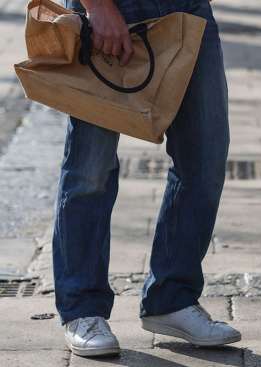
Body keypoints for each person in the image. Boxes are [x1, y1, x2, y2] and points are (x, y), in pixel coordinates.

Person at [54, 0, 238, 357]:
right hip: (110, 11)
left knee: (205, 157)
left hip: (189, 9)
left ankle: (171, 299)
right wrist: (98, 7)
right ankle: (82, 308)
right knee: (91, 170)